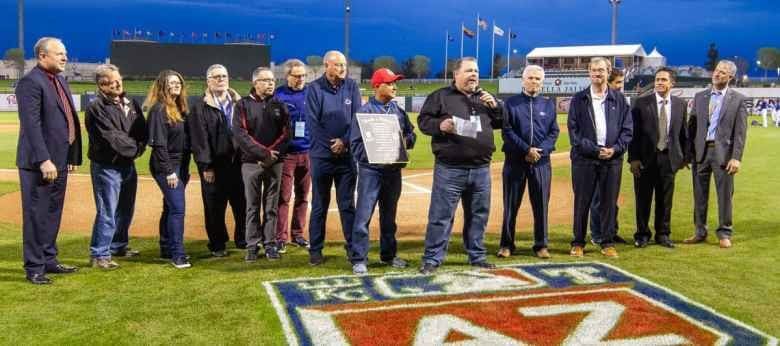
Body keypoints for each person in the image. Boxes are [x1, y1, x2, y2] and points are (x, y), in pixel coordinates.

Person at [417, 57, 503, 274]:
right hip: (450, 169)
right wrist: (440, 125)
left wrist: (495, 106)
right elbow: (423, 122)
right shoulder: (440, 96)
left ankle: (477, 256)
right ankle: (432, 259)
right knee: (441, 215)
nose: (473, 74)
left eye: (476, 70)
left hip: (481, 169)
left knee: (478, 215)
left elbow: (502, 122)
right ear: (456, 75)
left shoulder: (485, 98)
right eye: (468, 71)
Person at [16, 37, 82, 284]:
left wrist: (70, 156)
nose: (65, 57)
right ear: (43, 56)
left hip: (60, 160)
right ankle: (34, 267)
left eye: (65, 53)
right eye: (60, 53)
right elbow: (31, 125)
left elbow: (67, 119)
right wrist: (44, 159)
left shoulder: (60, 81)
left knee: (53, 212)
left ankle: (49, 259)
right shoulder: (30, 82)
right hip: (39, 164)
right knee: (36, 214)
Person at [349, 68, 416, 275]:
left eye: (395, 82)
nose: (395, 86)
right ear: (377, 86)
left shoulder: (398, 111)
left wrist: (405, 141)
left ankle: (388, 255)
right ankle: (359, 258)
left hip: (393, 172)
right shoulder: (364, 112)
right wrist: (378, 147)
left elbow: (411, 135)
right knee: (363, 217)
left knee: (389, 217)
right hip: (371, 172)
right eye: (390, 83)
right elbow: (356, 147)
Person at [567, 57, 633, 258]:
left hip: (612, 160)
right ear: (589, 72)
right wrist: (595, 150)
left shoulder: (619, 99)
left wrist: (615, 149)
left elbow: (627, 130)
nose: (597, 73)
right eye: (594, 70)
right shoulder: (579, 99)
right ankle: (578, 242)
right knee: (582, 202)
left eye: (601, 70)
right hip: (584, 160)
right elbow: (574, 132)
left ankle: (607, 242)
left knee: (608, 202)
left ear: (608, 72)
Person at [85, 64, 147, 269]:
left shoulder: (131, 103)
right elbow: (112, 137)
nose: (118, 83)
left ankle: (118, 245)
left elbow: (142, 131)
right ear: (102, 84)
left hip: (127, 165)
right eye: (113, 81)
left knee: (126, 209)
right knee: (107, 211)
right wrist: (135, 149)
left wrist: (138, 148)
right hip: (106, 167)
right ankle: (99, 254)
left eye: (119, 79)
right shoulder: (96, 107)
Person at [306, 50, 361, 266]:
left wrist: (344, 142)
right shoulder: (314, 88)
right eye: (337, 65)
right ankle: (316, 249)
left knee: (347, 204)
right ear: (326, 65)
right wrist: (332, 145)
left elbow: (357, 118)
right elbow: (312, 123)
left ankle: (353, 247)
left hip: (347, 157)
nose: (342, 68)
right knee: (319, 204)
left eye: (344, 65)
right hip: (321, 157)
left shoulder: (351, 87)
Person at [498, 65, 559, 259]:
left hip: (541, 163)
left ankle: (541, 245)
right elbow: (507, 131)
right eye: (530, 78)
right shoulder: (511, 103)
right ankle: (507, 244)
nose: (534, 81)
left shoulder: (548, 104)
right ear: (523, 80)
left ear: (542, 82)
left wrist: (541, 151)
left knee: (541, 205)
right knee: (511, 205)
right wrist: (526, 149)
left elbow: (554, 132)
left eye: (538, 79)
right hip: (515, 161)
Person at [684, 60, 747, 249]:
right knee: (699, 194)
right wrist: (688, 154)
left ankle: (724, 232)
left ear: (731, 77)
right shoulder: (700, 96)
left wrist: (736, 157)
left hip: (724, 154)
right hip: (701, 153)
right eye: (717, 70)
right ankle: (699, 231)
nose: (717, 74)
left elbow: (740, 132)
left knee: (725, 195)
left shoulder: (738, 99)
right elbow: (692, 127)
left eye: (723, 72)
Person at [189, 64, 247, 257]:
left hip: (238, 164)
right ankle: (218, 244)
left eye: (224, 76)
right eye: (216, 77)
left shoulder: (240, 103)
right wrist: (206, 166)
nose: (221, 79)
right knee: (215, 207)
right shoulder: (200, 106)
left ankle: (243, 239)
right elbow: (199, 139)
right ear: (208, 81)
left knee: (242, 204)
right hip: (215, 165)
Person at [628, 67, 688, 249]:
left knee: (665, 199)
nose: (659, 83)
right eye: (657, 79)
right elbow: (634, 133)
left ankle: (663, 234)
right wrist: (633, 159)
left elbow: (683, 133)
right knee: (643, 199)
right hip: (645, 159)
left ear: (672, 83)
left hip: (668, 159)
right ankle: (642, 234)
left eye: (663, 80)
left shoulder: (680, 104)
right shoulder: (640, 102)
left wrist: (684, 158)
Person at [233, 67, 290, 261]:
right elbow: (241, 135)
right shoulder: (242, 105)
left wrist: (271, 155)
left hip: (275, 163)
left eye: (272, 80)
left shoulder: (279, 105)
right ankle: (252, 244)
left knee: (271, 206)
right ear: (255, 83)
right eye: (266, 80)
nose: (271, 83)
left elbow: (286, 134)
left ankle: (270, 243)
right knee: (252, 205)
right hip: (251, 162)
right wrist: (264, 153)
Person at [145, 69, 192, 269]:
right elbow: (158, 145)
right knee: (178, 209)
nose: (176, 85)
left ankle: (166, 247)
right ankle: (177, 254)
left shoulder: (179, 107)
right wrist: (169, 171)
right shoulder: (159, 109)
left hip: (180, 165)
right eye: (171, 82)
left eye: (178, 82)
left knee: (169, 207)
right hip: (167, 166)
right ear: (163, 86)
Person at [274, 59, 311, 253]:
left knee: (304, 196)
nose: (301, 79)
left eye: (303, 75)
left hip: (308, 152)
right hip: (287, 154)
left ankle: (298, 234)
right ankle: (280, 237)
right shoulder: (278, 95)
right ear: (288, 76)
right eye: (297, 76)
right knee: (284, 197)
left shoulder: (312, 93)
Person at [589, 68, 628, 245]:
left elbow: (626, 130)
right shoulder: (598, 100)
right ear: (608, 83)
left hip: (615, 157)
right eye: (617, 82)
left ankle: (611, 231)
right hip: (595, 158)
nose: (621, 86)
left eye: (622, 82)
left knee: (611, 199)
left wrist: (616, 148)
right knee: (598, 199)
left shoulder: (621, 102)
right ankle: (597, 233)